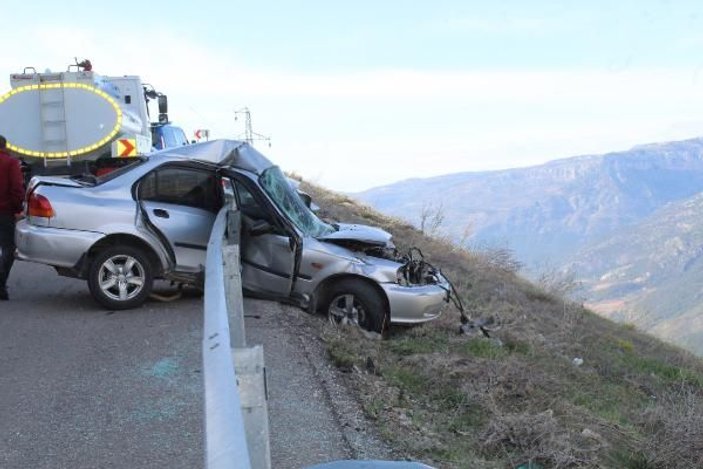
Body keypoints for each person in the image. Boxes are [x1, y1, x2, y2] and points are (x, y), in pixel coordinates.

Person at [0, 135, 24, 300]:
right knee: (8, 248)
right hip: (4, 212)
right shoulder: (10, 163)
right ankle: (1, 284)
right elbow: (16, 189)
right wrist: (17, 209)